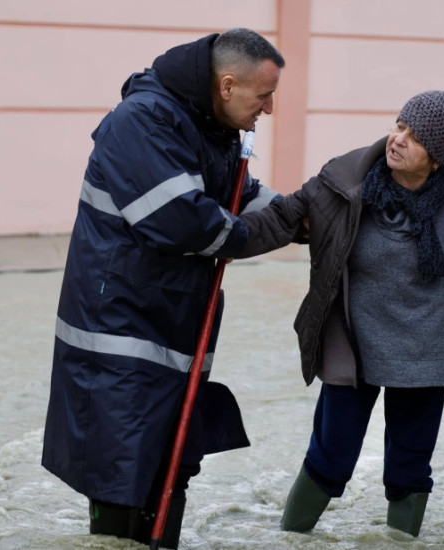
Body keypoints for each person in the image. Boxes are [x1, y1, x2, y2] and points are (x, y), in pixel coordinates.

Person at [235, 90, 444, 537]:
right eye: (399, 125)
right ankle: (292, 540)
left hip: (429, 346)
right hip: (354, 342)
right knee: (330, 457)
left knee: (409, 467)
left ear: (438, 158)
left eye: (415, 137)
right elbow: (280, 219)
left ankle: (402, 543)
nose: (397, 139)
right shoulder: (344, 185)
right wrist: (221, 240)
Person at [40, 28, 284, 548]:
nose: (269, 108)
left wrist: (311, 216)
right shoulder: (142, 121)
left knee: (170, 466)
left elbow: (243, 195)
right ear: (225, 85)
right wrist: (260, 234)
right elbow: (183, 222)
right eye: (263, 95)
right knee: (121, 469)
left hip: (171, 328)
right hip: (119, 335)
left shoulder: (207, 125)